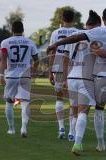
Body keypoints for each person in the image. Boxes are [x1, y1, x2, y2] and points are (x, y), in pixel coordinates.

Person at [49, 7, 106, 157]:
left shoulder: (99, 31)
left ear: (103, 20)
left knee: (95, 109)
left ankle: (95, 142)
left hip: (99, 75)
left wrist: (56, 44)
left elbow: (79, 41)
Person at [0, 21, 39, 137]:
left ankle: (11, 128)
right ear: (23, 30)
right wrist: (33, 69)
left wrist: (1, 75)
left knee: (9, 102)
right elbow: (36, 59)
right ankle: (24, 129)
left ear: (12, 30)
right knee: (25, 103)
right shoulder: (30, 42)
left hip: (11, 76)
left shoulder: (5, 42)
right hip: (25, 75)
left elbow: (3, 60)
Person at [47, 9, 78, 140]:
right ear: (73, 19)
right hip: (73, 68)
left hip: (59, 67)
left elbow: (51, 53)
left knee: (59, 99)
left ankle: (61, 128)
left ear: (62, 19)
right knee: (73, 102)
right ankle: (71, 132)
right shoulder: (78, 32)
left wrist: (50, 71)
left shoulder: (55, 33)